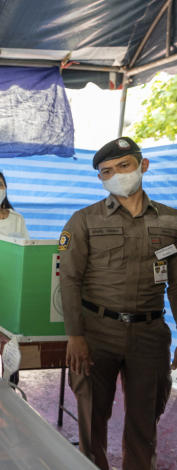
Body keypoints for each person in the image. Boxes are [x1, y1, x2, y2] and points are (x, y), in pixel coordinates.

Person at [59, 136, 177, 470]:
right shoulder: (84, 220)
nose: (117, 175)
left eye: (123, 166)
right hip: (97, 335)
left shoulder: (171, 221)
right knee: (92, 421)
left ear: (143, 165)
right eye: (107, 171)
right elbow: (69, 279)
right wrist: (75, 336)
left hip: (150, 335)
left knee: (145, 422)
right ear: (101, 179)